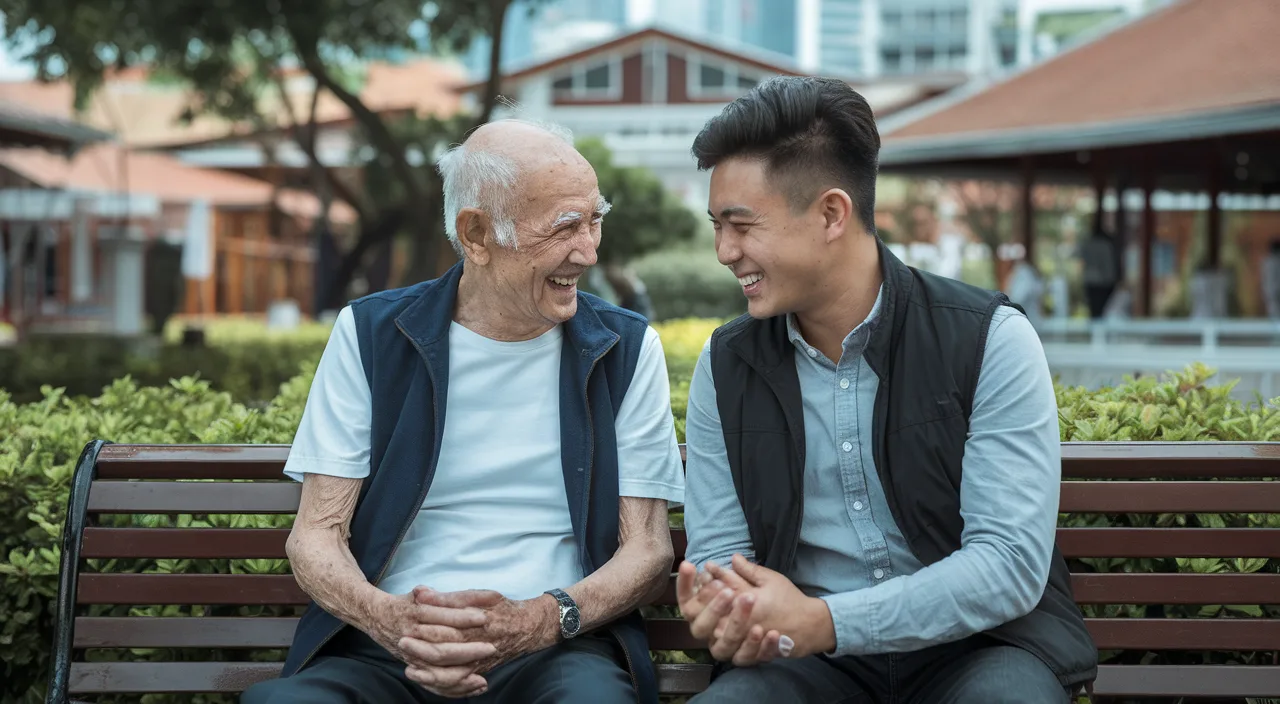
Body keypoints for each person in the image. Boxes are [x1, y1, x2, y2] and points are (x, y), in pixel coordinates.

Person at [675, 76, 1098, 703]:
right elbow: (724, 559)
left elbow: (1007, 564)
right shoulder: (727, 363)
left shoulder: (988, 338)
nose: (722, 250)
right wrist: (731, 609)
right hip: (806, 666)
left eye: (741, 225)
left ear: (830, 214)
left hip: (981, 650)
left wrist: (826, 621)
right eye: (716, 225)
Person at [242, 119, 685, 704]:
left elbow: (648, 552)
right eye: (564, 227)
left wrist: (538, 621)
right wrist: (393, 623)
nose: (589, 250)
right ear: (476, 235)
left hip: (555, 647)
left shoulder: (624, 348)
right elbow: (315, 537)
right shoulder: (372, 335)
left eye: (595, 219)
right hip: (391, 648)